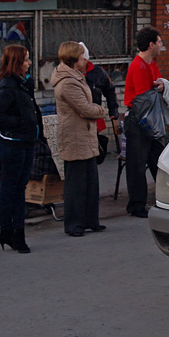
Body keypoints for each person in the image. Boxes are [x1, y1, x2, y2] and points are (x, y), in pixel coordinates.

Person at [0, 44, 43, 253]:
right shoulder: (8, 85)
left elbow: (31, 108)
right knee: (10, 189)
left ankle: (18, 233)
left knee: (20, 189)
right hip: (13, 144)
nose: (29, 63)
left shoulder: (22, 83)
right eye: (26, 60)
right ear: (17, 63)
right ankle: (8, 231)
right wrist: (20, 122)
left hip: (26, 141)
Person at [52, 41, 108, 237]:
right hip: (74, 135)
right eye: (82, 56)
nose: (85, 60)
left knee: (90, 181)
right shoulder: (67, 82)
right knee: (76, 183)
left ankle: (91, 220)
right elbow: (84, 108)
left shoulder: (76, 77)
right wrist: (102, 111)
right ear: (74, 58)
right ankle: (74, 223)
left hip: (85, 134)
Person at [123, 27, 164, 217]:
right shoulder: (138, 66)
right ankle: (136, 204)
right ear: (151, 45)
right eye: (159, 42)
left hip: (150, 117)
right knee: (137, 164)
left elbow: (155, 86)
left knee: (158, 159)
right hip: (140, 119)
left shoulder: (151, 64)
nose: (161, 46)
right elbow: (142, 99)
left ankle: (165, 196)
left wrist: (162, 86)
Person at [79, 43, 120, 166]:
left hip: (94, 115)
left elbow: (110, 91)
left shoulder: (97, 73)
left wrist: (113, 110)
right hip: (79, 118)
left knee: (94, 146)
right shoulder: (72, 74)